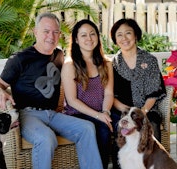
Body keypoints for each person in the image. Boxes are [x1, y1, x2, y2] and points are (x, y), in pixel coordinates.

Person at [0, 12, 103, 169]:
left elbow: (73, 72)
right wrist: (0, 91)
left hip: (53, 114)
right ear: (36, 32)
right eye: (46, 31)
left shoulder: (59, 55)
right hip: (27, 115)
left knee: (87, 128)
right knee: (46, 138)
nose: (51, 36)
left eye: (55, 32)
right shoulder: (20, 58)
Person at [110, 18, 166, 169]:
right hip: (122, 111)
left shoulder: (150, 60)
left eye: (128, 33)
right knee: (118, 127)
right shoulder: (112, 64)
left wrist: (142, 112)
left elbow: (154, 92)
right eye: (119, 35)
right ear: (115, 40)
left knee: (151, 124)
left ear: (136, 35)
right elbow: (111, 95)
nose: (124, 38)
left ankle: (151, 164)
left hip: (147, 109)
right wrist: (128, 113)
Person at [61, 19, 114, 169]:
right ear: (76, 40)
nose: (89, 38)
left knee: (122, 125)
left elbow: (109, 93)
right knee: (103, 130)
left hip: (102, 110)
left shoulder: (106, 63)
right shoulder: (70, 65)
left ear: (98, 37)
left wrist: (105, 112)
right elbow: (72, 101)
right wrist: (98, 116)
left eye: (92, 34)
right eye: (83, 35)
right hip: (78, 114)